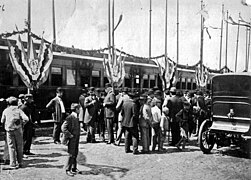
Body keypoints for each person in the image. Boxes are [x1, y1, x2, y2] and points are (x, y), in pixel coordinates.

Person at [1, 96, 29, 169]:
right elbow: (26, 119)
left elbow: (2, 120)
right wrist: (22, 123)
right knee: (19, 146)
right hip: (18, 130)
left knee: (11, 146)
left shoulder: (6, 110)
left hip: (9, 130)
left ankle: (13, 163)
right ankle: (20, 162)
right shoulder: (19, 110)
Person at [61, 103, 81, 177]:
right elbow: (63, 128)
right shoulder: (70, 117)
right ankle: (68, 169)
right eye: (79, 109)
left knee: (75, 153)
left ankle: (74, 168)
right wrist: (70, 135)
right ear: (76, 109)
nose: (80, 110)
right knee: (71, 154)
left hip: (76, 138)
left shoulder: (76, 117)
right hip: (72, 139)